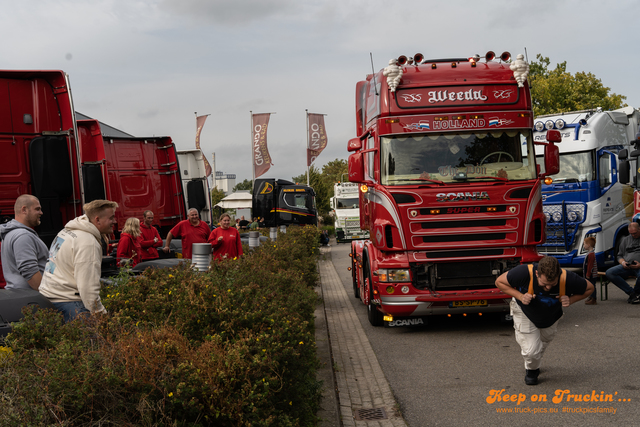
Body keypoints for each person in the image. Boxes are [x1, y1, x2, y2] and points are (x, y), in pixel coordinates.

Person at [495, 256, 593, 385]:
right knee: (531, 350)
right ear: (537, 273)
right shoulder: (523, 272)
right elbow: (499, 282)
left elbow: (590, 288)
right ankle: (532, 370)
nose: (547, 287)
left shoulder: (568, 278)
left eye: (552, 284)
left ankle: (534, 360)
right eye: (544, 283)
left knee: (544, 341)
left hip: (550, 316)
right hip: (525, 311)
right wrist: (520, 296)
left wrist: (571, 300)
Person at [39, 199, 118, 322]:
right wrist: (102, 316)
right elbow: (88, 288)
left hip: (49, 297)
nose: (115, 221)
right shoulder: (88, 242)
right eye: (111, 218)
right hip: (69, 302)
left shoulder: (68, 231)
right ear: (97, 219)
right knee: (92, 340)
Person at [0, 195, 49, 290]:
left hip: (21, 295)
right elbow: (29, 270)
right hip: (31, 297)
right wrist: (48, 293)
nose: (41, 213)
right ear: (24, 210)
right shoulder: (23, 236)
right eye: (37, 209)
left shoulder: (11, 233)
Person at [605, 222, 640, 304]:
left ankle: (636, 293)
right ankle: (632, 293)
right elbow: (619, 256)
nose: (633, 235)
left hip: (639, 267)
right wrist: (623, 262)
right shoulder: (625, 240)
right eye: (631, 233)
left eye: (635, 233)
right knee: (609, 273)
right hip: (627, 266)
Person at [583, 236, 598, 305]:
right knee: (590, 285)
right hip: (590, 274)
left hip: (591, 274)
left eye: (584, 244)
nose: (584, 246)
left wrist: (588, 274)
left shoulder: (591, 254)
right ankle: (591, 297)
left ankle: (593, 299)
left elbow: (590, 266)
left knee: (592, 286)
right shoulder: (590, 253)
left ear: (588, 245)